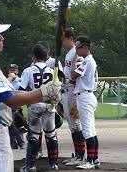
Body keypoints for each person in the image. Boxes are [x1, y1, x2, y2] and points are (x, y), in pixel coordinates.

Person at [0, 15, 62, 172]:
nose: (2, 38)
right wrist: (44, 91)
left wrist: (42, 94)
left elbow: (10, 92)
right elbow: (11, 99)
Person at [19, 44, 59, 172]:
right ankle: (53, 164)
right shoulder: (52, 71)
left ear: (33, 56)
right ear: (46, 56)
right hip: (49, 105)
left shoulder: (28, 70)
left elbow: (21, 90)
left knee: (34, 137)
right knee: (51, 135)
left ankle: (30, 166)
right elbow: (56, 92)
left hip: (35, 105)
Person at [71, 36, 100, 169]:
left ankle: (90, 161)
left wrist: (73, 61)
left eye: (78, 47)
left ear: (85, 47)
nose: (76, 50)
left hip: (85, 97)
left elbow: (73, 75)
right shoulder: (89, 61)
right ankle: (95, 159)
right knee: (91, 130)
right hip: (87, 95)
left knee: (88, 130)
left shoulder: (87, 61)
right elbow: (75, 79)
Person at [61, 28, 86, 166]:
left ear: (71, 38)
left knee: (76, 123)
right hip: (66, 90)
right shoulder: (69, 54)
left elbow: (77, 73)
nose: (62, 43)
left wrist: (69, 80)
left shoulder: (76, 52)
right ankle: (77, 154)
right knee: (71, 124)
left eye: (64, 39)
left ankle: (81, 156)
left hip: (72, 90)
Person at [7, 63, 25, 149]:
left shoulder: (21, 81)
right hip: (8, 105)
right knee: (11, 125)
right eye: (11, 70)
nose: (12, 71)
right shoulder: (7, 81)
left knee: (15, 124)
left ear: (17, 71)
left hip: (17, 105)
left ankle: (20, 142)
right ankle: (14, 143)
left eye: (14, 70)